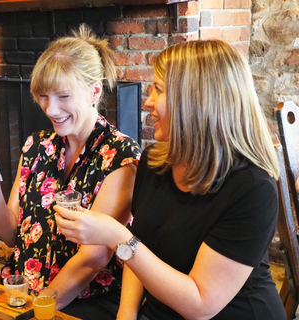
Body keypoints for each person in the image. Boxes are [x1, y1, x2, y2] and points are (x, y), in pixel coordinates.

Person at [55, 39, 286, 320]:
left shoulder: (252, 189)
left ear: (198, 101)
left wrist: (117, 237)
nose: (148, 101)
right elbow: (141, 253)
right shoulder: (155, 162)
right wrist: (126, 315)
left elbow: (200, 305)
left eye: (159, 90)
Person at [0, 24, 141, 319]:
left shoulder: (121, 157)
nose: (50, 109)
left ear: (94, 91)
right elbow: (10, 236)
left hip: (85, 301)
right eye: (43, 96)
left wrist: (38, 307)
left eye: (62, 96)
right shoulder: (36, 145)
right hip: (21, 288)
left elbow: (93, 258)